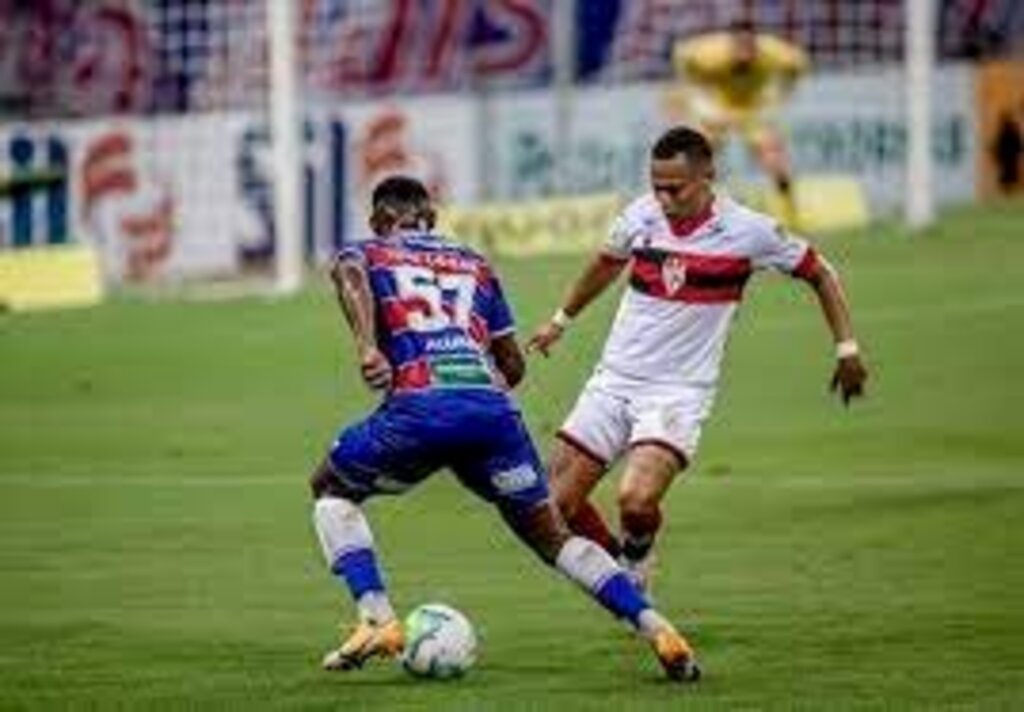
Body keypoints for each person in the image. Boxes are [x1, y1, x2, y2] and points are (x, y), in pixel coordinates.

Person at [308, 175, 701, 682]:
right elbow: (513, 366)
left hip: (418, 410)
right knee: (552, 537)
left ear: (380, 221)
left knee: (330, 488)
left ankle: (376, 617)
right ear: (432, 217)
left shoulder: (369, 251)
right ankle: (657, 627)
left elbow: (348, 273)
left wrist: (367, 345)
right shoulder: (475, 263)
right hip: (492, 416)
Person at [527, 126, 867, 593]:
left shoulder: (749, 231)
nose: (663, 198)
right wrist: (560, 320)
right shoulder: (640, 217)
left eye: (675, 188)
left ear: (708, 174)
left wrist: (847, 349)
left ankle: (637, 561)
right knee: (553, 507)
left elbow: (820, 273)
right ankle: (621, 577)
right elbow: (605, 264)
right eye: (656, 187)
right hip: (613, 382)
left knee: (636, 500)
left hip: (678, 394)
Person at [668, 19, 808, 227]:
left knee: (774, 161)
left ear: (756, 44)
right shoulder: (709, 55)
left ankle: (791, 215)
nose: (745, 52)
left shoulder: (775, 54)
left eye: (749, 46)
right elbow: (681, 56)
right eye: (739, 46)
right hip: (719, 108)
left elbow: (799, 63)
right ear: (730, 45)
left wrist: (782, 94)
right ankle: (687, 214)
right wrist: (699, 102)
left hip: (753, 110)